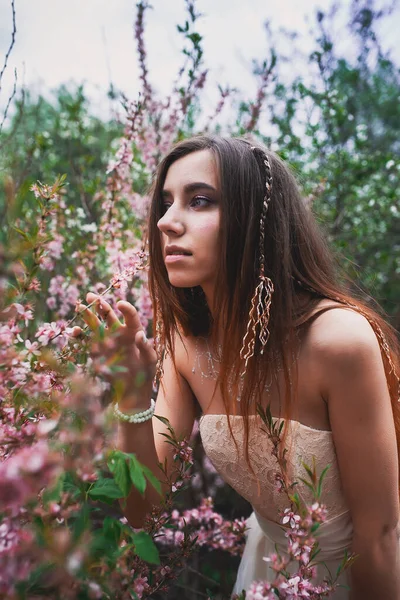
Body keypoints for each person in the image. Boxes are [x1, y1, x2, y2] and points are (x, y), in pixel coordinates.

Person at [73, 135, 400, 599]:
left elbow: (379, 536)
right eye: (166, 204)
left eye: (200, 201)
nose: (167, 222)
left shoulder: (338, 342)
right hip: (271, 567)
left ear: (255, 220)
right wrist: (131, 389)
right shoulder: (185, 344)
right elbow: (144, 512)